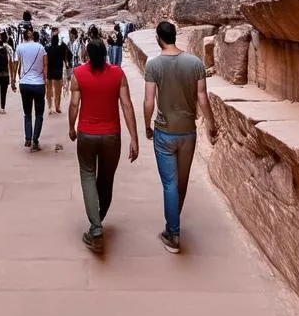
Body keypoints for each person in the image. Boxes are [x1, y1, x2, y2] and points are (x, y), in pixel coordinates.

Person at [144, 20, 219, 253]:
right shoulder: (195, 63)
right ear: (175, 36)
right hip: (188, 131)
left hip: (165, 131)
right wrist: (212, 125)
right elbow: (203, 98)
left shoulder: (154, 65)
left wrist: (147, 125)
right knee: (181, 183)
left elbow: (148, 100)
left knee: (169, 183)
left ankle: (173, 233)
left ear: (158, 38)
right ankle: (172, 224)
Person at [68, 37, 139, 252]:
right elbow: (127, 105)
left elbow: (73, 104)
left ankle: (96, 227)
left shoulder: (78, 74)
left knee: (88, 175)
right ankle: (98, 222)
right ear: (106, 53)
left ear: (87, 54)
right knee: (106, 180)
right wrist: (134, 137)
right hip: (111, 136)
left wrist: (71, 127)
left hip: (87, 133)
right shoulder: (118, 74)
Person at [16, 27, 47, 151]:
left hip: (25, 83)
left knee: (27, 113)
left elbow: (17, 64)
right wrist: (46, 81)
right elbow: (45, 65)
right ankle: (35, 140)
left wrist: (14, 80)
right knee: (39, 114)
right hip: (38, 84)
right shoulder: (41, 48)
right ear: (33, 35)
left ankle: (28, 137)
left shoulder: (20, 47)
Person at [46, 32, 70, 114]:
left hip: (49, 71)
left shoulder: (47, 48)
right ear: (57, 41)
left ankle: (49, 106)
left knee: (49, 90)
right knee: (58, 91)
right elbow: (67, 57)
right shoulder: (61, 48)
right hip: (58, 71)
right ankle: (57, 107)